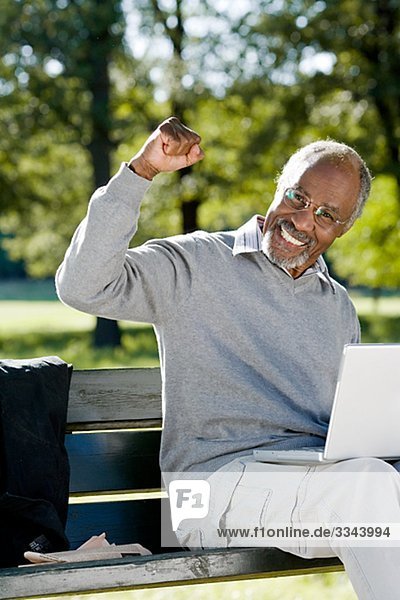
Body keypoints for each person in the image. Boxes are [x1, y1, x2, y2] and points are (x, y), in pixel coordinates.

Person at [56, 117, 400, 599]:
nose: (303, 221)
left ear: (344, 228)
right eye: (297, 198)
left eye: (326, 214)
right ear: (279, 188)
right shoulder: (196, 264)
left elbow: (349, 433)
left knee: (374, 489)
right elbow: (82, 287)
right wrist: (141, 172)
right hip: (207, 495)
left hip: (313, 489)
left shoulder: (336, 306)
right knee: (369, 492)